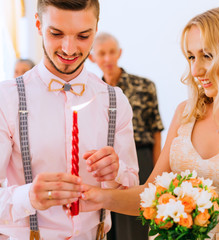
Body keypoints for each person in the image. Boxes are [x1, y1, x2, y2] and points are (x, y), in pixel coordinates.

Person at [81, 6, 219, 240]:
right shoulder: (186, 114)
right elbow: (149, 197)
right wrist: (94, 196)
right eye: (191, 56)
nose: (195, 69)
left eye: (207, 56)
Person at [0, 0, 139, 239]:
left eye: (83, 36)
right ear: (38, 24)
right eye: (56, 33)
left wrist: (116, 174)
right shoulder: (7, 99)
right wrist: (28, 197)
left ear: (96, 28)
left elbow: (133, 189)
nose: (69, 48)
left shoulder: (114, 101)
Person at [89, 32, 164, 240]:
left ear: (119, 53)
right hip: (106, 163)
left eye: (111, 52)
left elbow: (156, 129)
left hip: (142, 156)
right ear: (92, 57)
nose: (107, 58)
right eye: (101, 53)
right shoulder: (93, 92)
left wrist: (158, 170)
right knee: (109, 220)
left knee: (136, 221)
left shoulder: (145, 86)